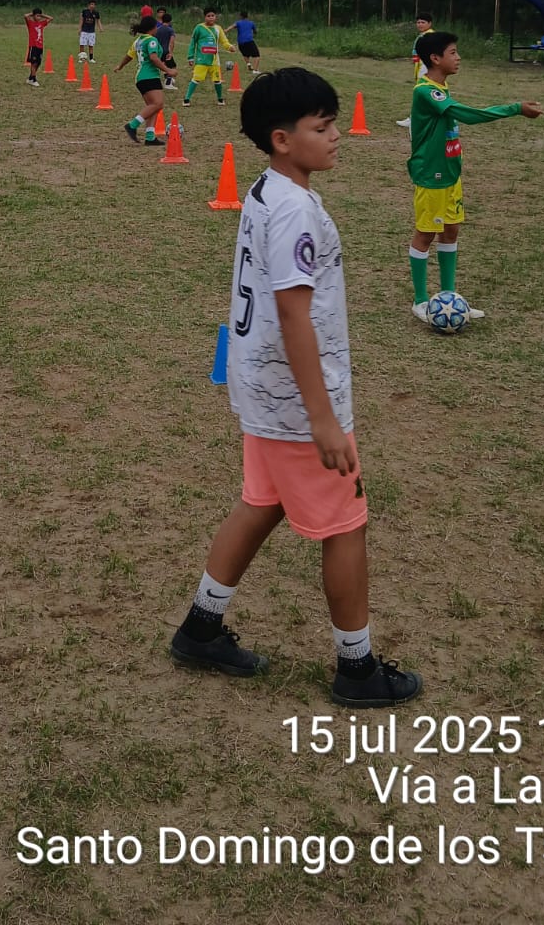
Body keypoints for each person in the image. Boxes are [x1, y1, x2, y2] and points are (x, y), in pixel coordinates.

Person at [170, 68, 422, 706]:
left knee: (262, 502)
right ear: (282, 139)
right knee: (346, 525)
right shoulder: (295, 211)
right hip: (295, 402)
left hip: (262, 389)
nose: (337, 136)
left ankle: (201, 627)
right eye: (323, 126)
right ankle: (357, 669)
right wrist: (323, 419)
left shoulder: (266, 190)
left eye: (335, 123)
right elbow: (293, 314)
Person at [407, 30, 543, 321]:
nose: (458, 57)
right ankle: (420, 301)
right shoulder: (425, 91)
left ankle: (449, 297)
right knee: (426, 233)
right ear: (435, 58)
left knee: (451, 230)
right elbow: (468, 115)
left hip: (450, 174)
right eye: (453, 52)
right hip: (431, 174)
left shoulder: (441, 87)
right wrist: (514, 108)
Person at [115, 14, 171, 145]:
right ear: (153, 28)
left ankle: (150, 137)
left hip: (140, 77)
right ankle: (132, 125)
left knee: (152, 107)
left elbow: (129, 56)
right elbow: (153, 58)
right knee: (158, 104)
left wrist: (120, 66)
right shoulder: (151, 40)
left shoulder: (138, 41)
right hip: (149, 76)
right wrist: (168, 70)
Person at [183, 8, 234, 106]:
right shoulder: (199, 28)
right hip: (201, 60)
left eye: (212, 16)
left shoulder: (218, 28)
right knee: (196, 78)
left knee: (217, 80)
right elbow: (193, 42)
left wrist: (229, 47)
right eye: (208, 16)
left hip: (214, 61)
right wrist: (190, 57)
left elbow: (224, 41)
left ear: (215, 17)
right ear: (205, 17)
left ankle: (220, 99)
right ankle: (187, 99)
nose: (211, 18)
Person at [396, 15, 432, 127]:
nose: (420, 24)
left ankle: (414, 119)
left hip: (426, 67)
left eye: (423, 22)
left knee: (421, 93)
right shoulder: (423, 35)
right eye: (418, 22)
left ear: (429, 23)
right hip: (421, 66)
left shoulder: (429, 36)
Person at [24, 7, 52, 85]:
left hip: (40, 46)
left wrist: (42, 15)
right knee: (33, 63)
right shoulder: (30, 23)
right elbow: (25, 16)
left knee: (38, 63)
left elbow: (51, 18)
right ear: (33, 16)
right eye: (37, 16)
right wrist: (32, 13)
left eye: (40, 16)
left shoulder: (42, 23)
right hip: (33, 46)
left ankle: (30, 78)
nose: (39, 17)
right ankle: (34, 79)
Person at [155, 8, 178, 88]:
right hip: (166, 51)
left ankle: (162, 81)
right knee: (172, 67)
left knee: (161, 66)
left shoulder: (157, 29)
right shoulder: (170, 30)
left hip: (158, 51)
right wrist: (170, 53)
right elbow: (171, 43)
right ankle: (168, 83)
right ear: (170, 21)